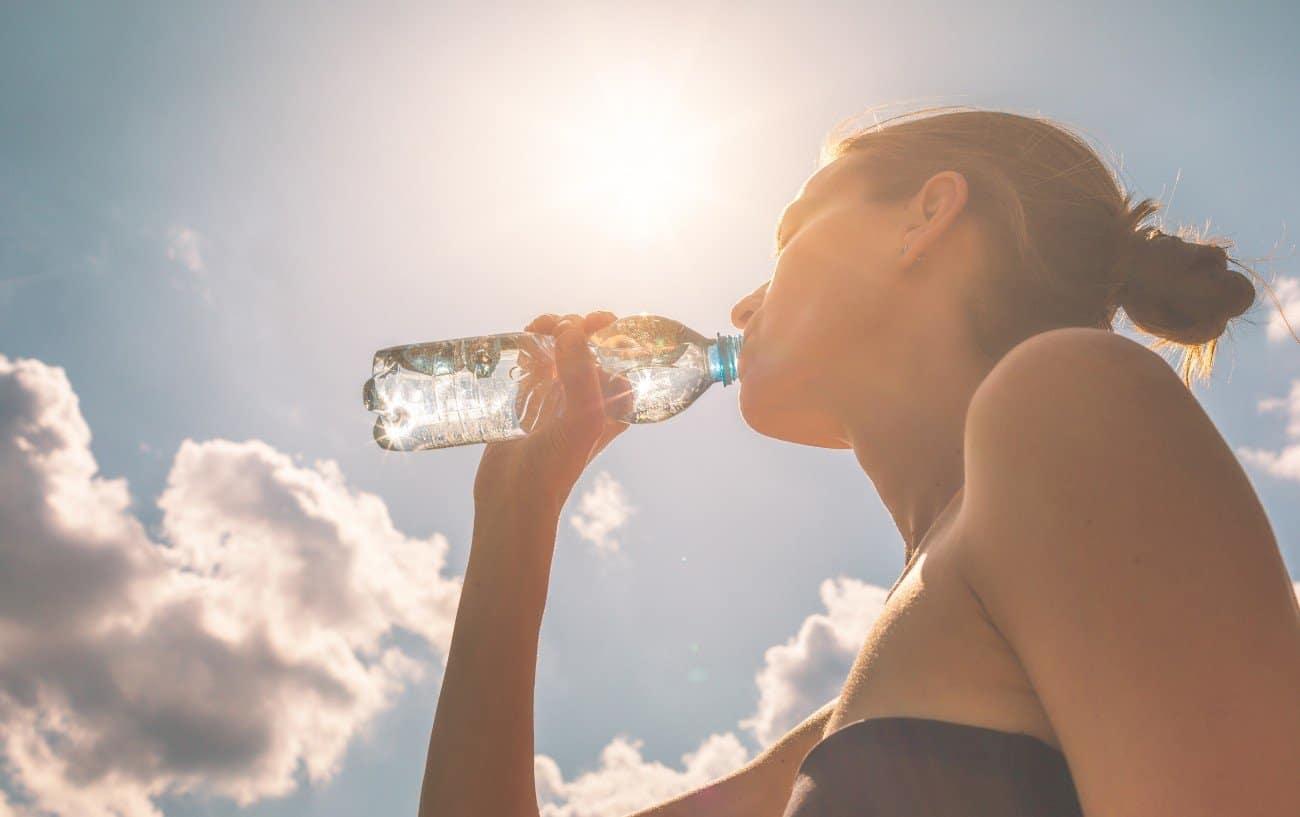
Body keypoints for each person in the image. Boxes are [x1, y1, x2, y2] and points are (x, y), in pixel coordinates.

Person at [417, 107, 1300, 817]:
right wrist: (515, 515)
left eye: (791, 232)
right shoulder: (846, 728)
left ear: (926, 216)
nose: (742, 300)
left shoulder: (1068, 394)